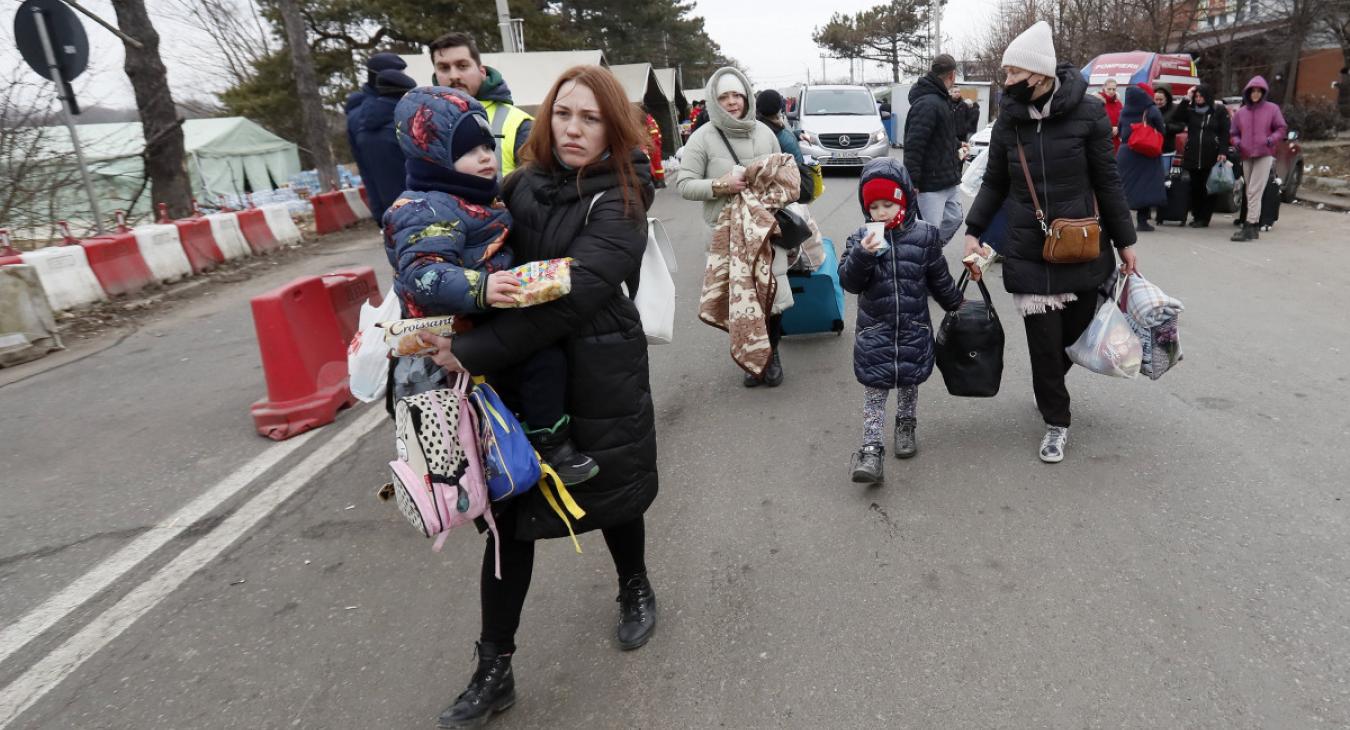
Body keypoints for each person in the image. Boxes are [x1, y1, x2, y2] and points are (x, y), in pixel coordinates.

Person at [418, 65, 658, 728]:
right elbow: (464, 245)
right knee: (509, 518)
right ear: (547, 118)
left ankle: (633, 584)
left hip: (597, 363)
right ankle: (494, 667)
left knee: (612, 491)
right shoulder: (515, 186)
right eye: (564, 114)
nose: (574, 128)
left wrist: (468, 352)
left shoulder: (624, 198)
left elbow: (566, 304)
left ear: (613, 127)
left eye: (590, 118)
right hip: (517, 376)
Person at [384, 86, 601, 486]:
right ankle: (545, 445)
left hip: (485, 312)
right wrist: (479, 287)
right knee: (536, 363)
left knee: (542, 362)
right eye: (469, 151)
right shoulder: (423, 208)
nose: (486, 157)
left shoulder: (477, 196)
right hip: (456, 325)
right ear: (434, 158)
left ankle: (530, 440)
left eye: (488, 145)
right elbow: (423, 273)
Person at [962, 21, 1138, 464]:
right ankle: (1056, 421)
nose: (1006, 84)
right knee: (1044, 342)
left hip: (1083, 244)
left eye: (1012, 75)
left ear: (1038, 76)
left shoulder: (1090, 114)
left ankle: (1050, 386)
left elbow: (1109, 181)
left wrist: (1126, 242)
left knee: (1075, 337)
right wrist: (973, 230)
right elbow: (994, 183)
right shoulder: (1009, 124)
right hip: (1028, 247)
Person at [839, 158, 963, 483]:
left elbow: (939, 279)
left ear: (904, 200)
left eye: (889, 204)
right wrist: (863, 255)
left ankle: (906, 425)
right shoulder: (859, 239)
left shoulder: (925, 236)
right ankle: (870, 449)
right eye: (874, 207)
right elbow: (849, 282)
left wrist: (956, 305)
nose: (881, 212)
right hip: (875, 332)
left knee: (909, 384)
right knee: (875, 392)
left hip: (913, 330)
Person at [676, 67, 787, 388]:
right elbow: (684, 184)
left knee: (773, 298)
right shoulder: (702, 138)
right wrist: (720, 184)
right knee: (740, 302)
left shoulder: (766, 133)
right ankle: (751, 360)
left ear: (747, 96)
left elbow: (782, 176)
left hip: (766, 231)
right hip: (725, 234)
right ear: (714, 99)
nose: (732, 102)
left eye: (737, 94)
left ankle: (772, 355)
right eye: (724, 96)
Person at [429, 32, 534, 176]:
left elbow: (534, 187)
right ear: (435, 74)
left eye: (462, 66)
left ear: (482, 72)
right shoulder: (422, 123)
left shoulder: (519, 124)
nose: (454, 76)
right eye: (444, 68)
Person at [904, 53, 965, 245]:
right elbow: (914, 145)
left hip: (947, 179)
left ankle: (928, 254)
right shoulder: (928, 103)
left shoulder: (940, 99)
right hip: (930, 184)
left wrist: (958, 144)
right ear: (952, 75)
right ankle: (925, 260)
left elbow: (941, 135)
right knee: (929, 229)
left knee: (954, 218)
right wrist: (912, 182)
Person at [345, 53, 412, 222]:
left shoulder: (355, 117)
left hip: (389, 209)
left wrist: (378, 211)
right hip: (419, 205)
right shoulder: (405, 111)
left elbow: (365, 170)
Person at [1229, 75, 1287, 242]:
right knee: (1250, 191)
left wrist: (1270, 140)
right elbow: (1233, 133)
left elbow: (1281, 128)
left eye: (1258, 91)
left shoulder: (1272, 109)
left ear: (1263, 92)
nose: (1255, 94)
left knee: (1255, 190)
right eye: (1252, 91)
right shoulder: (1241, 113)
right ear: (1248, 93)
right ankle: (1253, 227)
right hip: (1246, 154)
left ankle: (1249, 225)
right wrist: (1238, 143)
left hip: (1264, 154)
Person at [1178, 84, 1230, 228]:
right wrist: (1186, 98)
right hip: (1193, 154)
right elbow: (1177, 117)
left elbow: (1225, 132)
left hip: (1211, 154)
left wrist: (1222, 151)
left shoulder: (1218, 111)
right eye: (1196, 96)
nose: (1199, 99)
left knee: (1209, 187)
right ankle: (1196, 215)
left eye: (1201, 96)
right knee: (1195, 187)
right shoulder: (1191, 111)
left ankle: (1204, 217)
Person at [1117, 84, 1167, 231]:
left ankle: (1122, 220)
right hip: (1147, 152)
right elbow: (1161, 129)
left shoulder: (1124, 111)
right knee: (1146, 187)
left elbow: (1120, 131)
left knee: (1126, 187)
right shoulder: (1151, 110)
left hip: (1126, 153)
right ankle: (1142, 220)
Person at [756, 89, 804, 164]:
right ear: (777, 109)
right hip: (793, 173)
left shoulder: (775, 124)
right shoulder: (769, 132)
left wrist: (798, 134)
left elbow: (785, 136)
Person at [642, 107, 667, 188]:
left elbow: (654, 135)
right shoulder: (647, 120)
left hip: (654, 146)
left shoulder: (649, 120)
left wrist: (649, 146)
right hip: (653, 145)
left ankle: (661, 181)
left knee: (657, 164)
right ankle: (657, 181)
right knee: (654, 164)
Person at [1099, 78, 1123, 153]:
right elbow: (1096, 121)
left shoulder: (1118, 103)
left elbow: (1122, 119)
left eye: (1114, 89)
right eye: (1109, 89)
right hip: (1103, 141)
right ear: (1104, 88)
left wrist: (1118, 127)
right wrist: (1109, 129)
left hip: (1117, 141)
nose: (1111, 91)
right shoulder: (1098, 102)